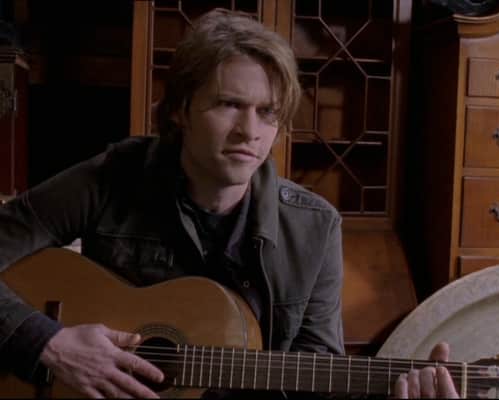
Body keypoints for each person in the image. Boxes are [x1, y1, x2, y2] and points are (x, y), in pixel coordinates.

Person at [0, 8, 457, 399]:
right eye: (228, 105)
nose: (249, 132)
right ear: (180, 109)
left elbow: (317, 378)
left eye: (267, 112)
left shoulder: (315, 229)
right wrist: (48, 344)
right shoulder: (111, 178)